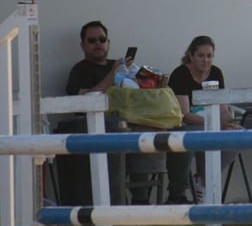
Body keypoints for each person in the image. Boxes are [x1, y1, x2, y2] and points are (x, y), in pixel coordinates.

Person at [62, 20, 192, 205]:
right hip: (111, 127)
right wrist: (113, 74)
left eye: (102, 39)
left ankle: (177, 196)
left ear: (109, 42)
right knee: (138, 136)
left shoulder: (121, 65)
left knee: (182, 132)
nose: (98, 44)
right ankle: (140, 201)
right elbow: (85, 100)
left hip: (143, 120)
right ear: (83, 45)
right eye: (92, 41)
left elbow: (147, 93)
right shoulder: (80, 70)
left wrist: (145, 78)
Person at [167, 35, 241, 202]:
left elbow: (222, 107)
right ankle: (202, 185)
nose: (205, 60)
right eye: (201, 55)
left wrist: (229, 122)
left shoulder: (216, 72)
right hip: (189, 124)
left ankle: (204, 178)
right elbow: (185, 115)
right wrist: (216, 123)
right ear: (191, 55)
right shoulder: (180, 74)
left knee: (239, 136)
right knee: (199, 136)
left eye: (209, 56)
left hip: (213, 121)